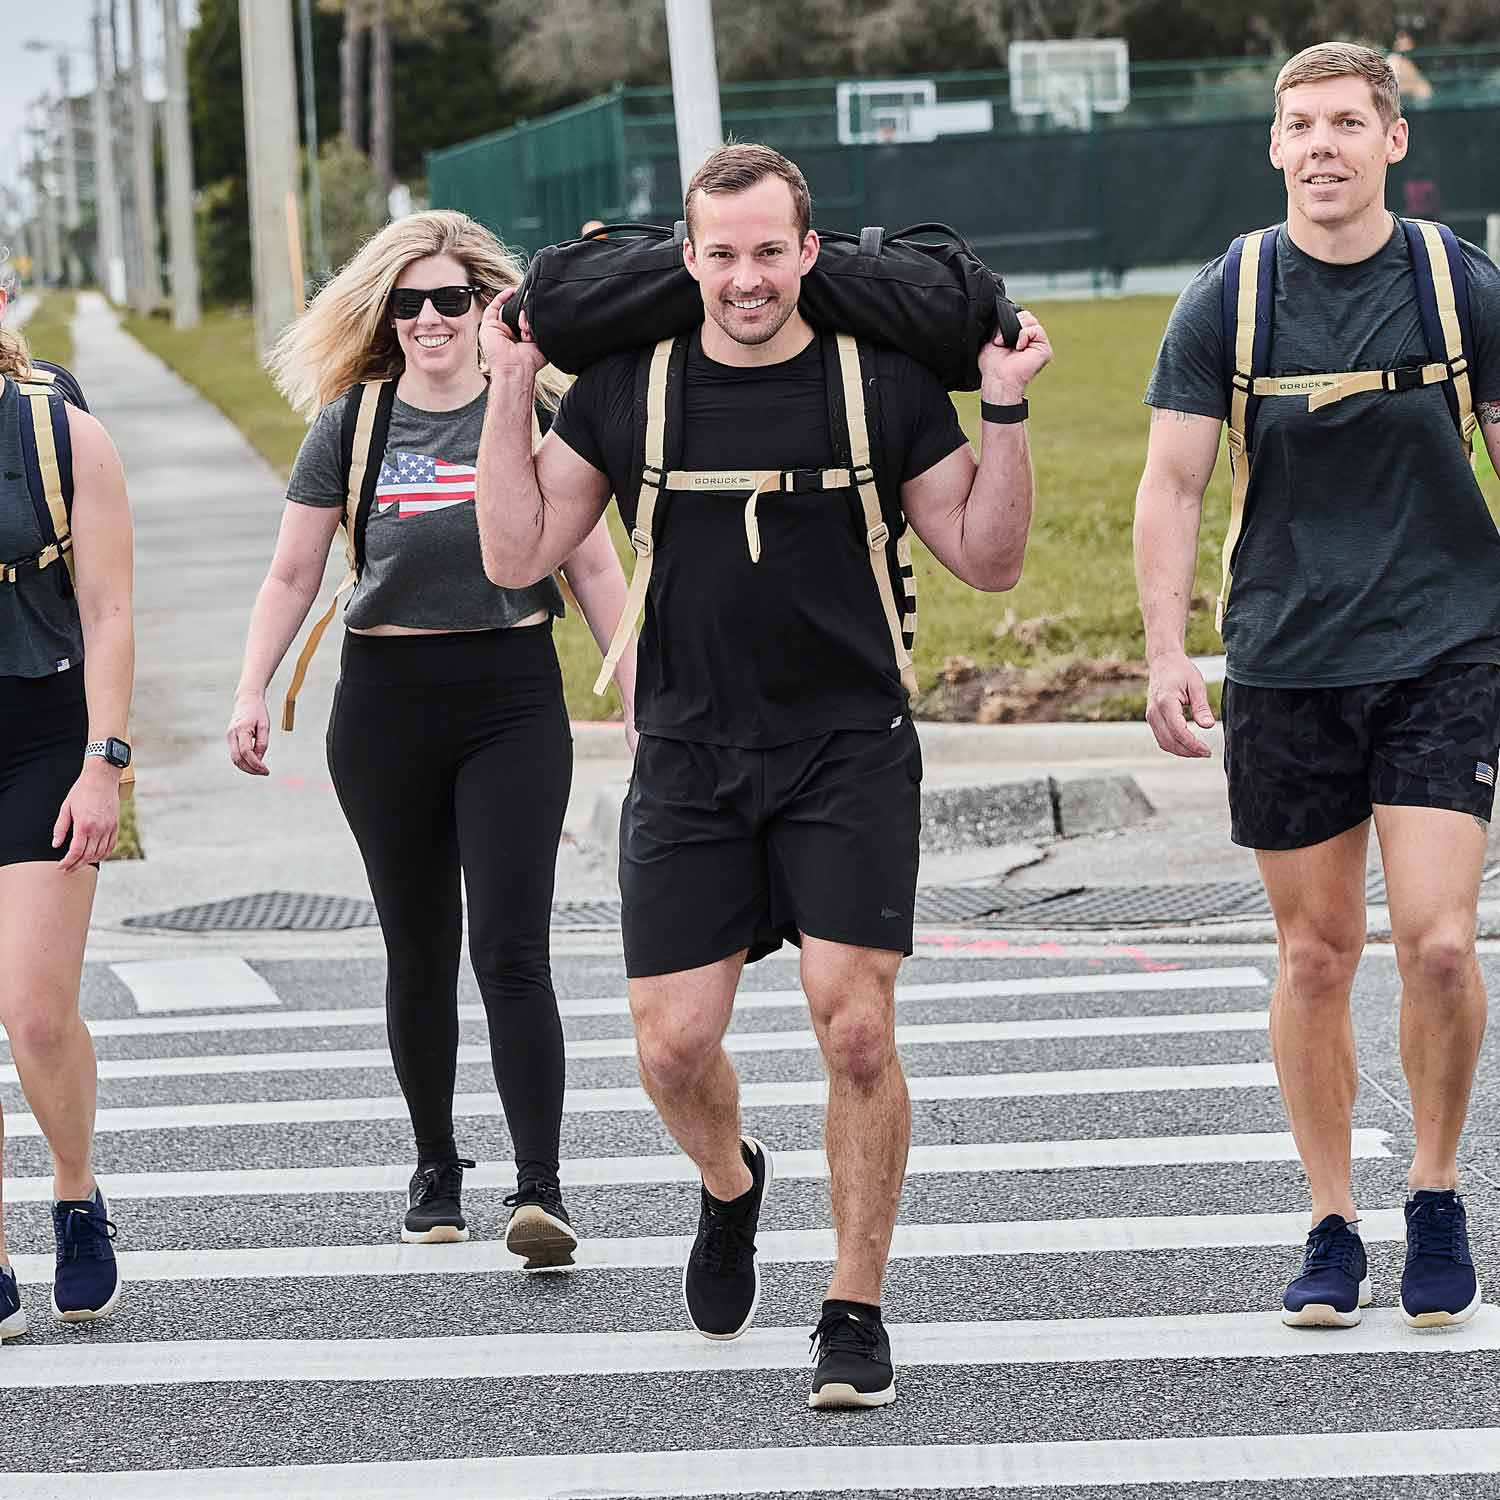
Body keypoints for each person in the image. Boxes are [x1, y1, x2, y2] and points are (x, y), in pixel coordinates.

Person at [475, 143, 1051, 1406]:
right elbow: (519, 551)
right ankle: (732, 1186)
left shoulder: (881, 380)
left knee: (856, 1028)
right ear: (688, 261)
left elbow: (990, 559)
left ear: (812, 252)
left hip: (849, 747)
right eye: (722, 254)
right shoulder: (628, 389)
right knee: (675, 1048)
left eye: (770, 252)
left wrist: (1002, 406)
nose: (748, 279)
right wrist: (512, 386)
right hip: (687, 753)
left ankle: (853, 1307)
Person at [1135, 42, 1500, 1331]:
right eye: (1302, 126)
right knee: (1316, 955)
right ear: (1276, 147)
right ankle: (1332, 1220)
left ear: (1392, 141)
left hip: (1446, 647)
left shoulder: (1458, 285)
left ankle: (1440, 1192)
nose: (1324, 146)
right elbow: (1173, 482)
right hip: (1286, 659)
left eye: (1350, 122)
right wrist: (1169, 649)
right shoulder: (1228, 297)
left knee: (1442, 945)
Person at [228, 210, 636, 1268]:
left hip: (510, 697)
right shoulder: (352, 426)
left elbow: (593, 569)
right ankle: (435, 1165)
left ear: (485, 307)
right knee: (418, 949)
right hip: (385, 705)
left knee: (511, 946)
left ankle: (538, 1186)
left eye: (449, 299)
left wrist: (641, 693)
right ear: (385, 314)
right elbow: (291, 573)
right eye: (406, 303)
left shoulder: (539, 409)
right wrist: (251, 690)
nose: (427, 320)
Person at [0, 265, 135, 1337]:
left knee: (36, 1012)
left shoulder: (58, 432)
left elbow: (111, 606)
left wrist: (107, 761)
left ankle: (77, 1193)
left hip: (44, 736)